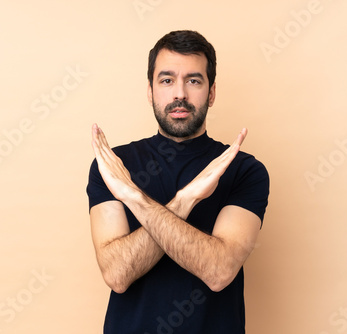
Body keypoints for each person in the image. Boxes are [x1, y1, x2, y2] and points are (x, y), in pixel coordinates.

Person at [87, 30, 269, 334]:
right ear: (150, 91)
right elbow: (117, 274)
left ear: (211, 93)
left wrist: (133, 197)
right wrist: (185, 201)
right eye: (167, 80)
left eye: (194, 81)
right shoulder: (113, 167)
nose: (180, 94)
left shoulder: (243, 170)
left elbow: (218, 271)